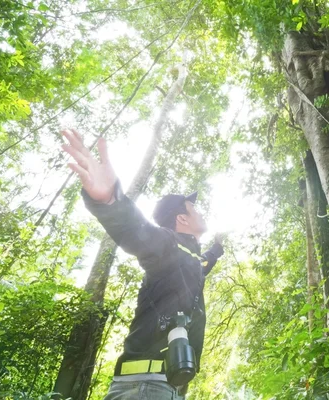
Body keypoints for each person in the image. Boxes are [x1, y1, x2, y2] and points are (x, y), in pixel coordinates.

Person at [61, 129, 224, 399]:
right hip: (147, 386)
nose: (199, 211)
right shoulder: (168, 244)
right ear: (181, 219)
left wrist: (215, 252)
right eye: (193, 208)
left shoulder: (188, 257)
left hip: (159, 385)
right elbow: (137, 232)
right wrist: (111, 201)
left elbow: (200, 266)